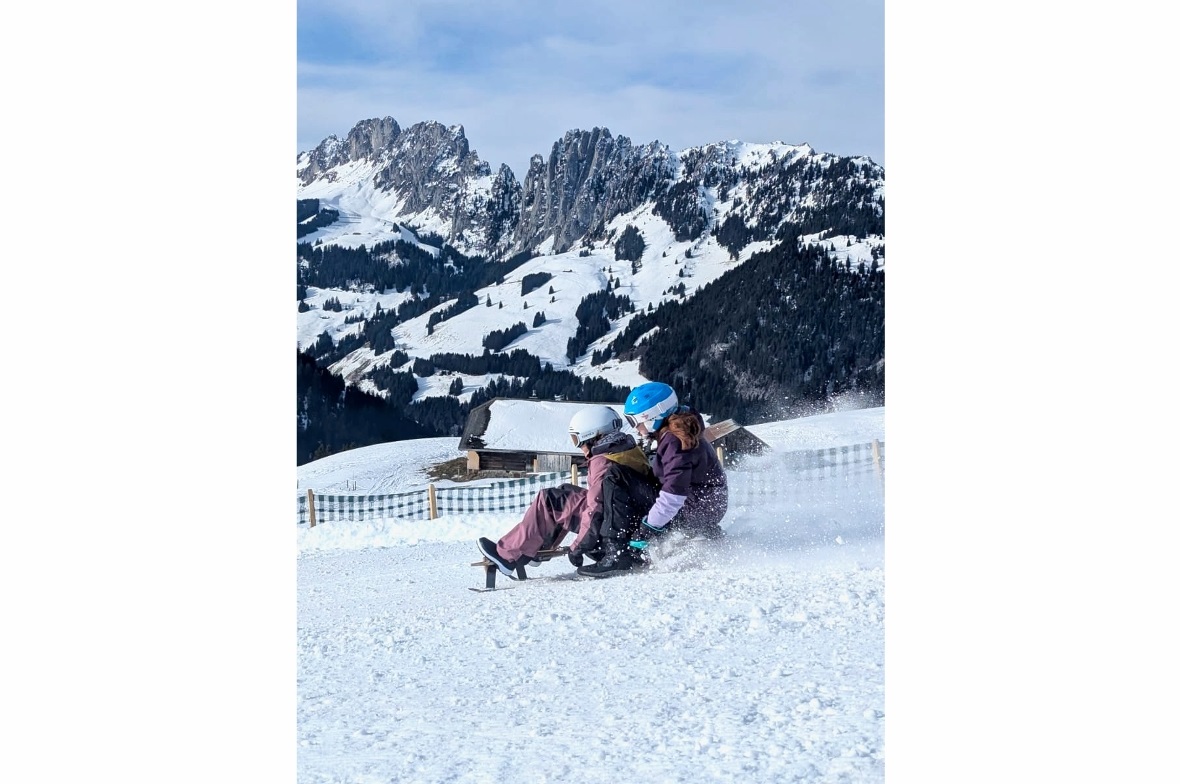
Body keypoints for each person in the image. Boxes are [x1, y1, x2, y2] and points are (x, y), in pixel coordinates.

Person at [476, 406, 659, 578]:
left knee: (549, 500)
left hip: (612, 528)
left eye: (577, 440)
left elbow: (595, 508)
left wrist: (578, 546)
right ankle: (536, 547)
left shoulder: (603, 461)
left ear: (593, 436)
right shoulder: (624, 447)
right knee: (565, 490)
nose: (579, 447)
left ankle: (506, 556)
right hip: (629, 517)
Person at [577, 381, 729, 577]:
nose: (636, 427)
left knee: (616, 476)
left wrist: (648, 527)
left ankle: (616, 554)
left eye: (635, 421)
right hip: (703, 509)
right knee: (630, 478)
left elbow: (674, 494)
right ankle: (626, 543)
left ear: (651, 417)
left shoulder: (674, 441)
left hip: (691, 510)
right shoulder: (680, 431)